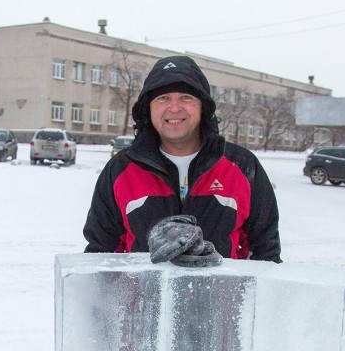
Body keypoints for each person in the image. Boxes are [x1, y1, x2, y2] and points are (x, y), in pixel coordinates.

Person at [84, 55, 282, 263]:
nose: (175, 107)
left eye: (186, 98)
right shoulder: (121, 170)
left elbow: (265, 253)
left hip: (220, 295)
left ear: (203, 106)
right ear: (148, 108)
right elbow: (101, 255)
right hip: (144, 296)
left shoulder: (242, 166)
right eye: (163, 98)